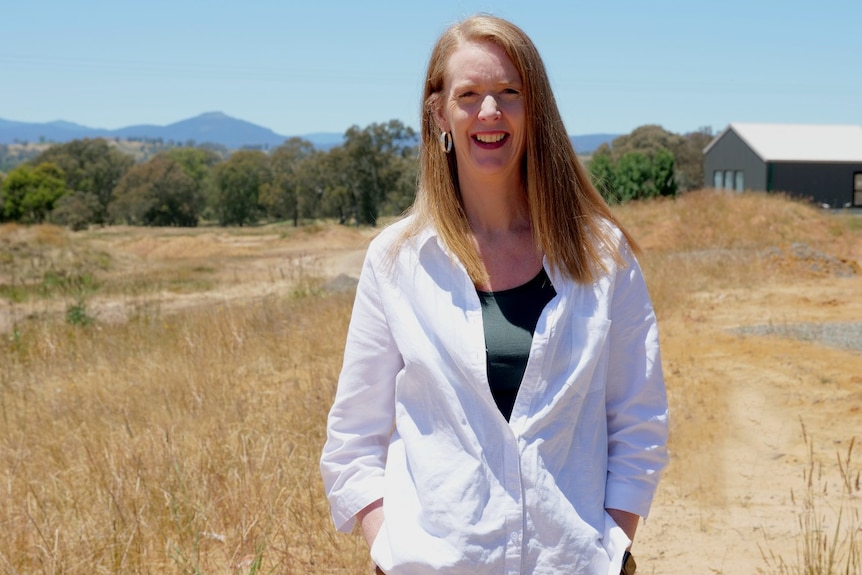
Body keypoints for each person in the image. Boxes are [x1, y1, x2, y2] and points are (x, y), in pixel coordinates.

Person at [320, 14, 668, 575]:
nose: (490, 112)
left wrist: (611, 545)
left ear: (536, 110)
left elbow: (639, 419)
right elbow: (353, 439)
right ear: (440, 113)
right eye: (469, 94)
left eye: (510, 92)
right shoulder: (396, 261)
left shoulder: (603, 255)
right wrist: (390, 547)